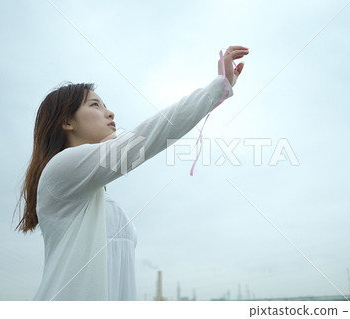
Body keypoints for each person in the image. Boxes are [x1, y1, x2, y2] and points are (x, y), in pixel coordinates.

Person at [13, 45, 249, 300]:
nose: (110, 112)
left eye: (106, 104)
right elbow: (147, 138)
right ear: (67, 122)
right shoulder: (59, 171)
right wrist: (218, 88)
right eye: (95, 104)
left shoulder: (100, 199)